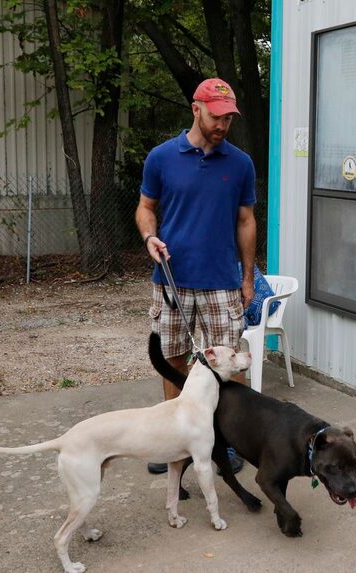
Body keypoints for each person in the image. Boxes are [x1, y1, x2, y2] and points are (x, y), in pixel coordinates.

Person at [135, 77, 256, 475]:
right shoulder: (161, 157)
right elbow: (145, 207)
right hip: (171, 280)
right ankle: (175, 444)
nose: (222, 125)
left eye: (229, 118)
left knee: (229, 365)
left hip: (222, 281)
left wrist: (248, 278)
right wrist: (150, 236)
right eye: (216, 116)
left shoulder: (240, 163)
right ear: (196, 109)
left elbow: (245, 220)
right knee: (173, 361)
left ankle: (226, 441)